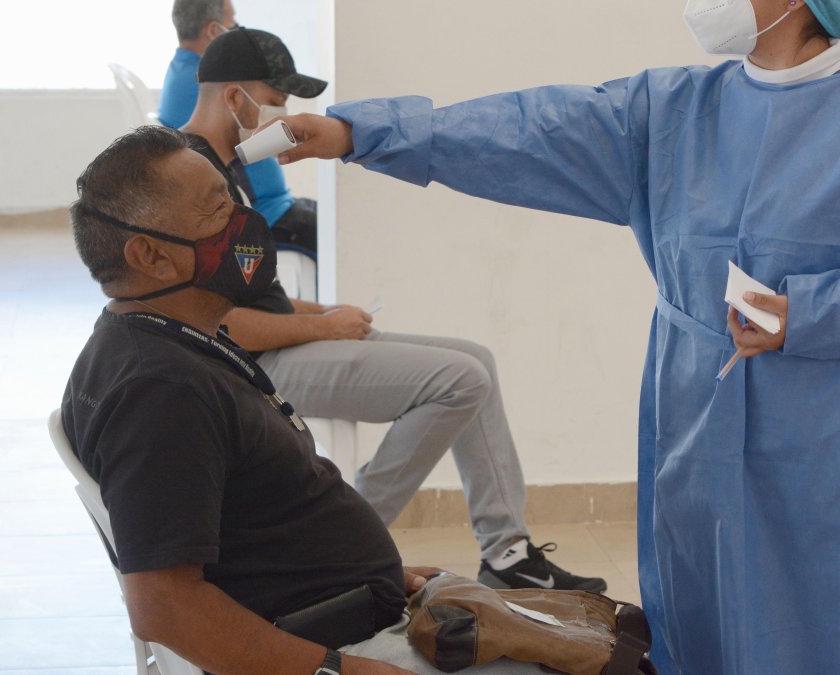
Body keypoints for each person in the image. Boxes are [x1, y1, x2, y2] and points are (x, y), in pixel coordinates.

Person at [274, 0, 840, 672]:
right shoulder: (673, 112)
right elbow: (528, 131)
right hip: (702, 436)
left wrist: (810, 314)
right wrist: (357, 134)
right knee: (709, 620)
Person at [63, 125, 547, 674]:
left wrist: (380, 576)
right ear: (150, 255)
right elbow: (166, 608)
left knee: (599, 639)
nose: (242, 222)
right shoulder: (160, 392)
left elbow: (250, 524)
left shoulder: (174, 341)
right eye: (216, 208)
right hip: (348, 648)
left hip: (356, 612)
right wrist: (340, 671)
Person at [180, 27, 606, 594]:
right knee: (458, 381)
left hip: (285, 340)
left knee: (474, 359)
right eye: (276, 102)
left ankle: (507, 553)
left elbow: (254, 292)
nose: (279, 118)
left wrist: (327, 311)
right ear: (235, 98)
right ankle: (343, 537)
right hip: (255, 369)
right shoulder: (194, 181)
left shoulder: (230, 170)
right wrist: (321, 325)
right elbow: (219, 323)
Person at [159, 0, 317, 256]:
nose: (237, 29)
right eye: (233, 23)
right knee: (334, 236)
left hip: (269, 206)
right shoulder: (203, 84)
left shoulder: (183, 70)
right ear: (213, 30)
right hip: (263, 212)